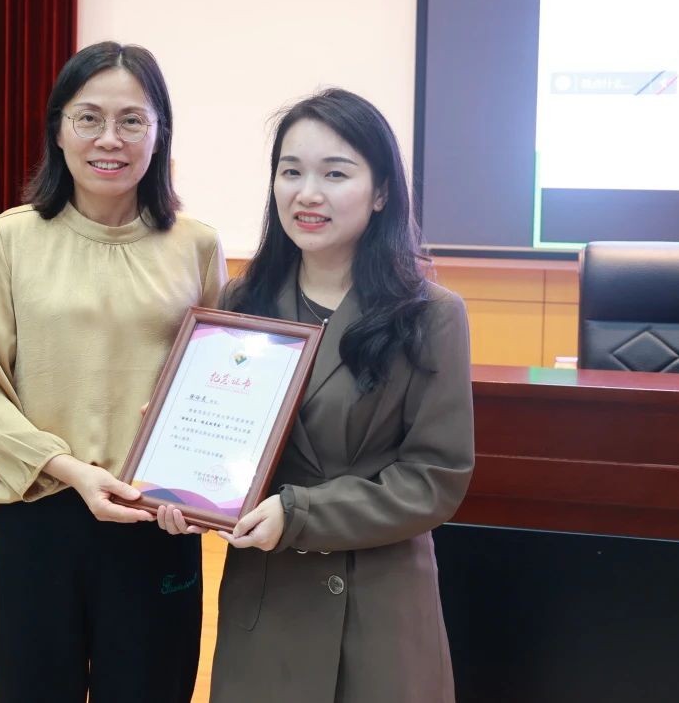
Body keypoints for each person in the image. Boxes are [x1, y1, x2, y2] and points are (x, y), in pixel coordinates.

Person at [159, 87, 474, 703]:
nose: (307, 193)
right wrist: (179, 477)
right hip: (268, 600)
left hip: (376, 606)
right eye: (291, 171)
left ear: (381, 192)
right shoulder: (242, 302)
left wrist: (300, 514)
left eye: (335, 173)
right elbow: (225, 445)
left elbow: (434, 478)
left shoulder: (429, 315)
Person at [0, 41, 226, 703]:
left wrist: (203, 480)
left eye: (133, 120)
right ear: (59, 129)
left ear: (160, 133)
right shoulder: (6, 239)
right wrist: (72, 470)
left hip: (154, 523)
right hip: (39, 515)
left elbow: (215, 383)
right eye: (89, 118)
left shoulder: (196, 245)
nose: (111, 139)